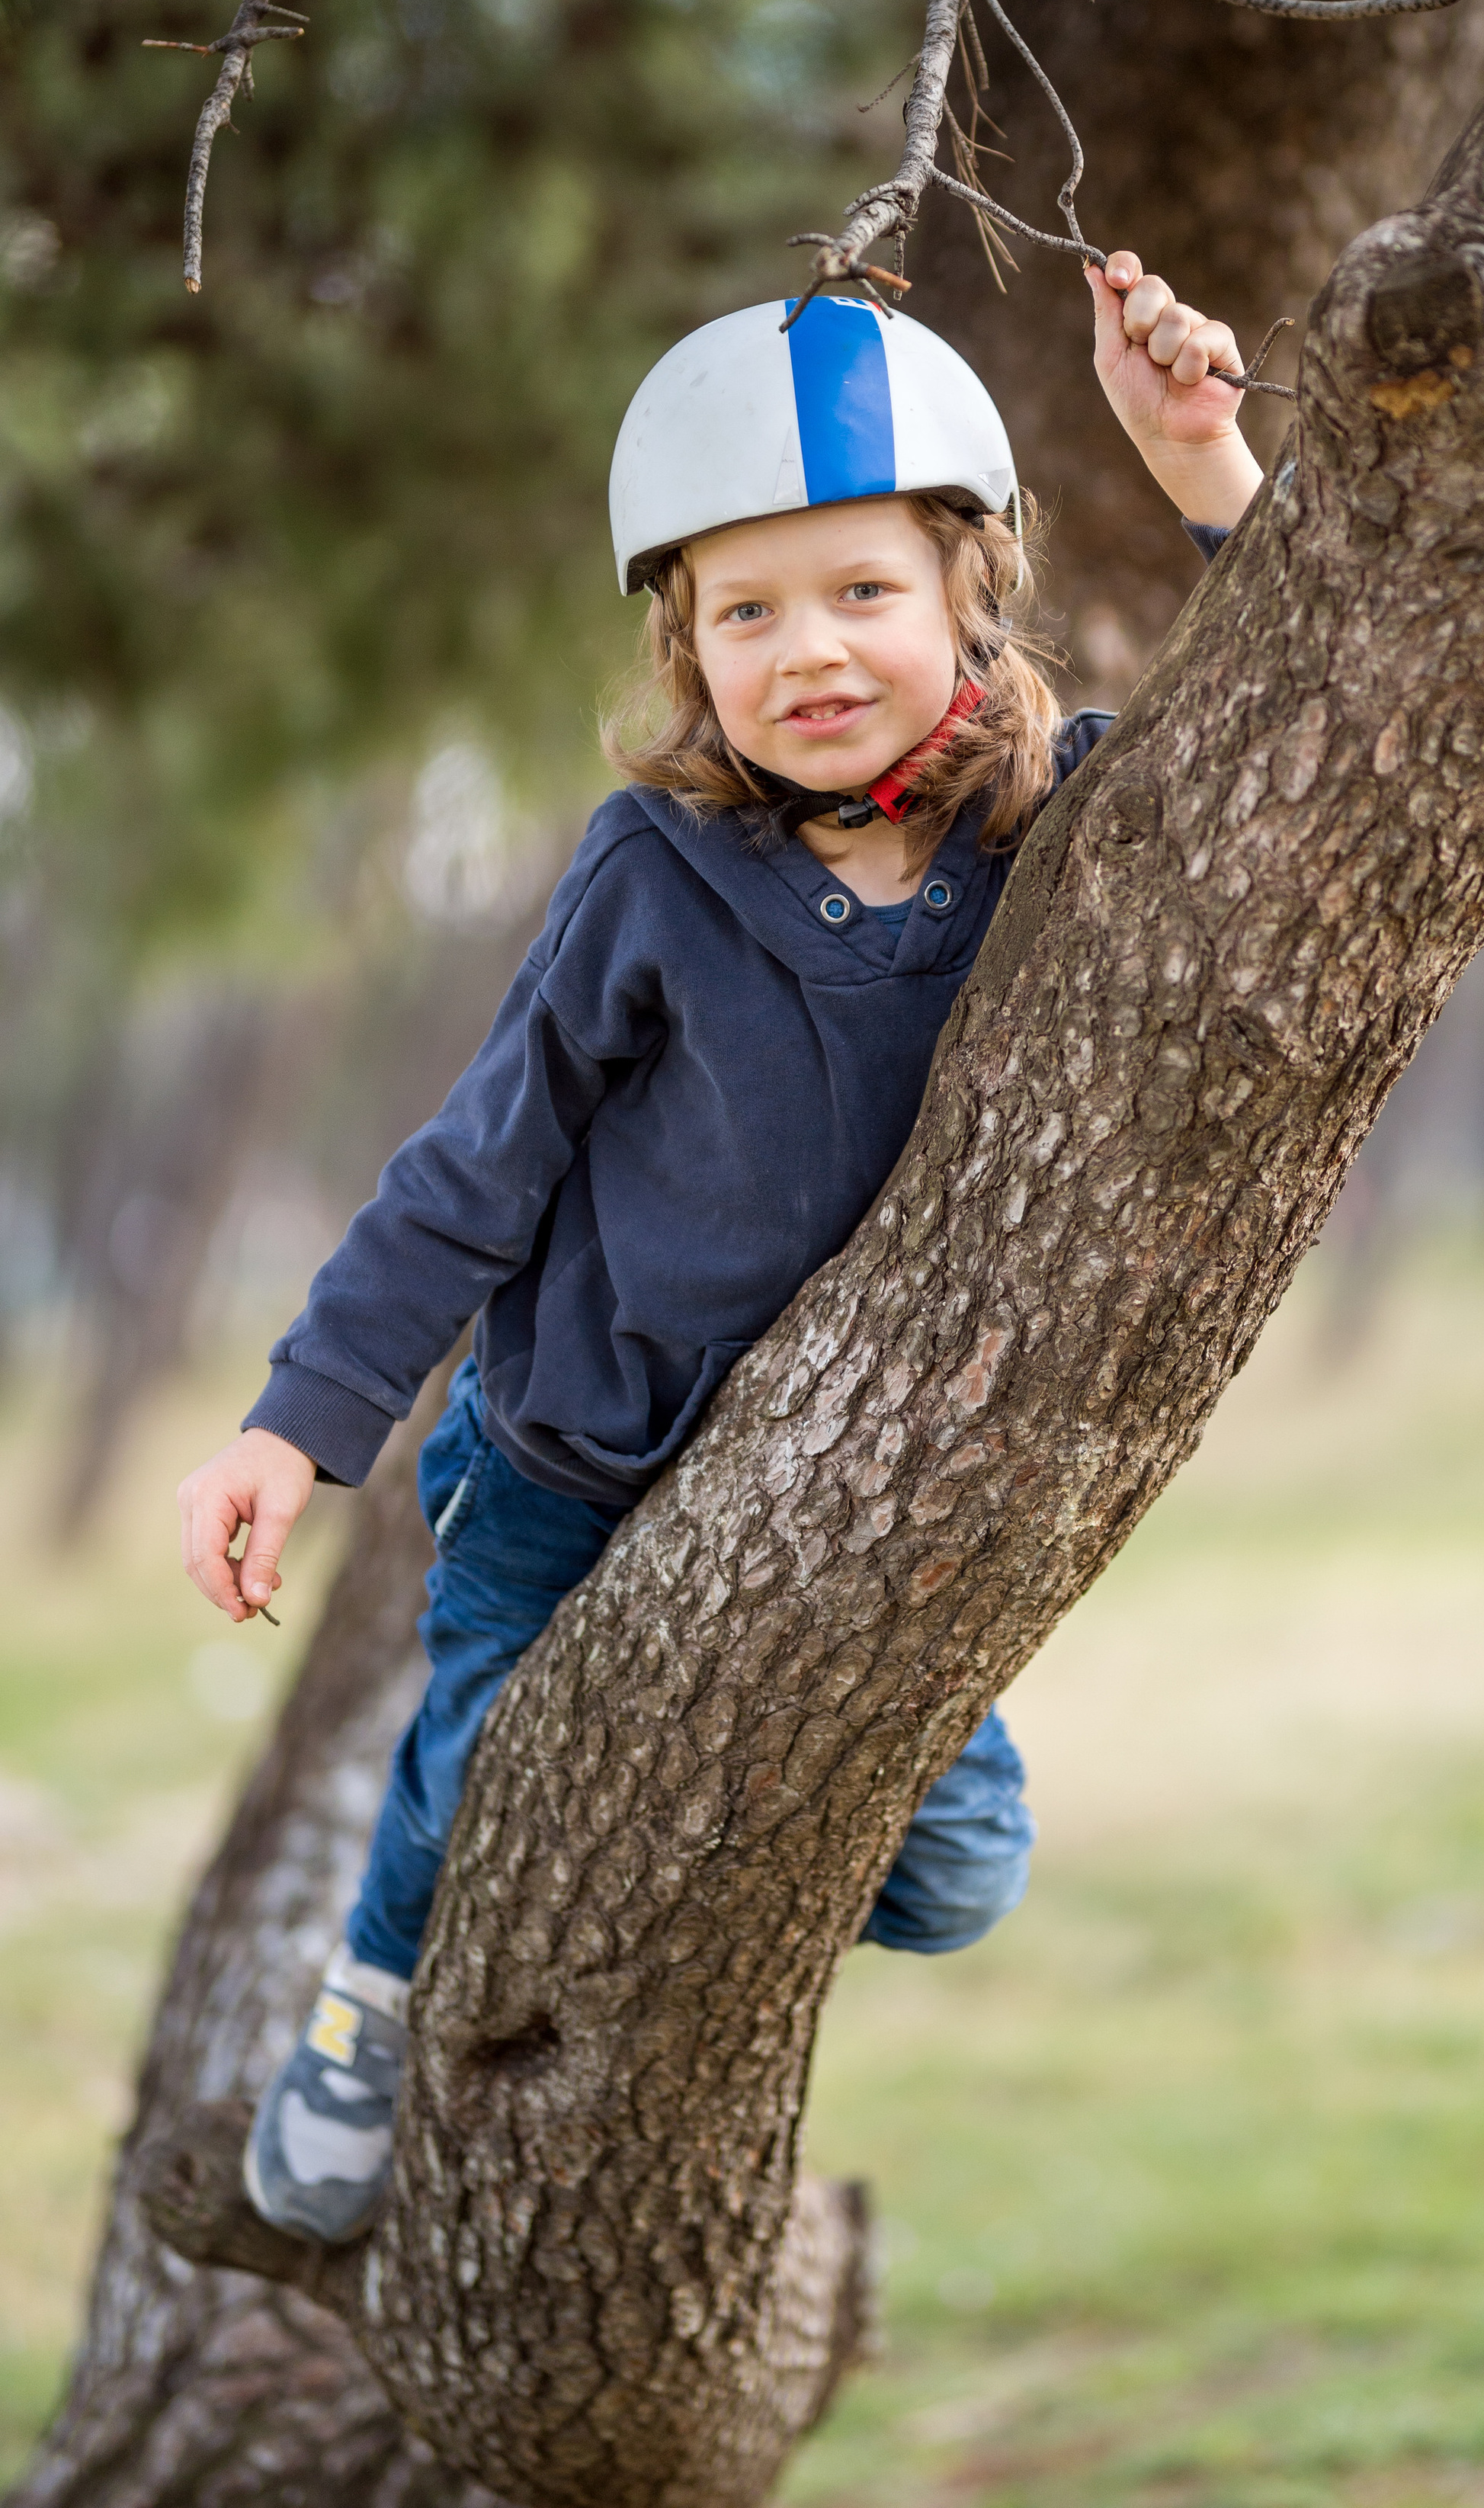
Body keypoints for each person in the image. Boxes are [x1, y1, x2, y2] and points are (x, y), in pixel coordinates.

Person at [177, 250, 1266, 2245]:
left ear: (972, 591)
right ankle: (365, 2008)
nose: (812, 652)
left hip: (853, 1514)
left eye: (864, 591)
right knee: (485, 1782)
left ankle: (696, 1904)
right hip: (568, 1467)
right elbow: (470, 1172)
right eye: (746, 611)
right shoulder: (657, 874)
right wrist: (291, 1431)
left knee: (955, 1880)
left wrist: (1204, 461)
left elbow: (1308, 720)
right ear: (686, 646)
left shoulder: (1058, 832)